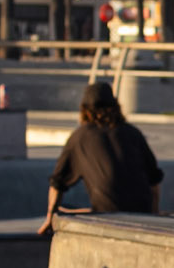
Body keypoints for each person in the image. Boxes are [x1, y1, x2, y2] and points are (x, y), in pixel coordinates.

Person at [37, 80, 164, 234]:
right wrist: (155, 217)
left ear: (84, 110)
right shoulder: (133, 133)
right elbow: (154, 182)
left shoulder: (80, 137)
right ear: (116, 107)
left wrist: (51, 217)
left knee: (67, 209)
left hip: (109, 216)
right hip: (143, 213)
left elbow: (57, 183)